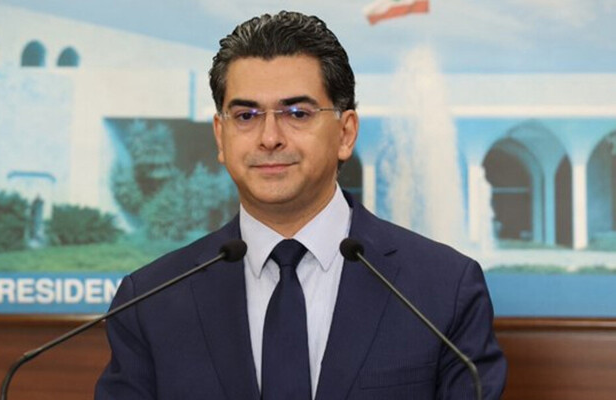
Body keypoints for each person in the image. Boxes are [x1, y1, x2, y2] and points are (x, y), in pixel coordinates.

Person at [95, 11, 507, 400]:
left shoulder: (443, 289)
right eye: (246, 116)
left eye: (297, 113)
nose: (269, 138)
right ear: (220, 136)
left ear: (345, 133)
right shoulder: (149, 300)